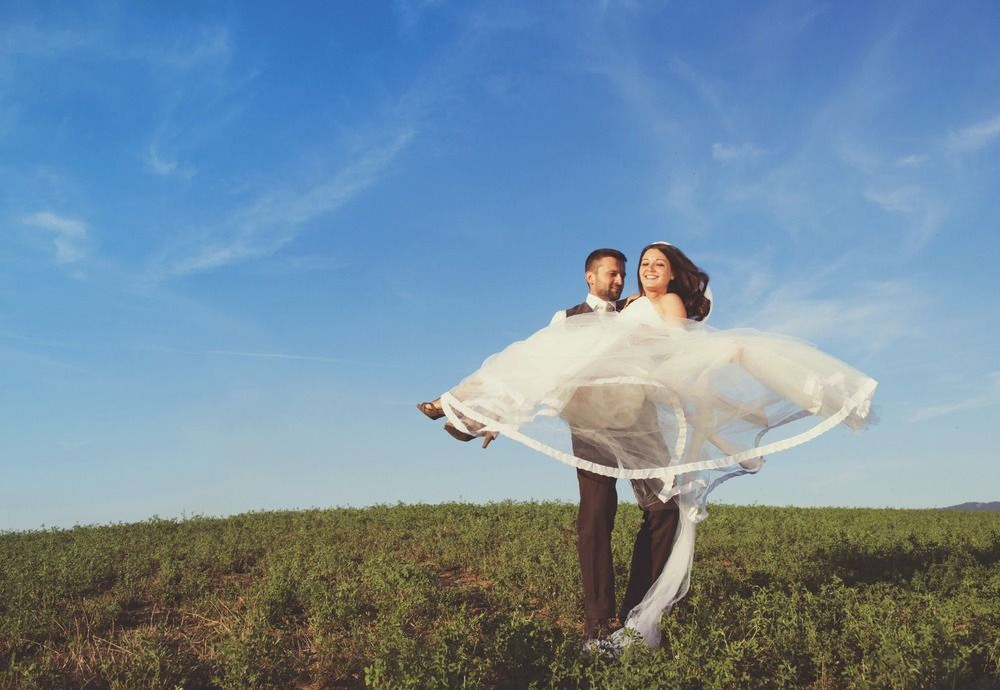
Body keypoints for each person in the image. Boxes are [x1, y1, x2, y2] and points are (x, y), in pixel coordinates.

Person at [416, 242, 877, 650]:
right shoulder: (568, 319)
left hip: (637, 418)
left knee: (663, 507)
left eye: (627, 271)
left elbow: (675, 348)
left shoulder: (638, 307)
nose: (621, 279)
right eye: (614, 272)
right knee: (596, 513)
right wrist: (501, 418)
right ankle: (597, 625)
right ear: (590, 276)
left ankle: (636, 616)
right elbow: (542, 371)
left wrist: (713, 355)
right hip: (591, 418)